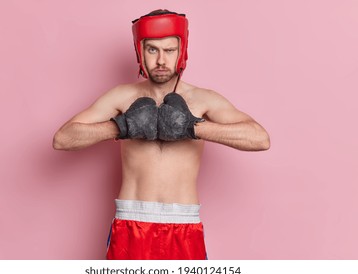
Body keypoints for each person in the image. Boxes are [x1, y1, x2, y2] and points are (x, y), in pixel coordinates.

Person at [53, 9, 270, 260]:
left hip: (184, 222)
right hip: (132, 221)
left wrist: (193, 127)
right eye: (152, 50)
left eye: (169, 50)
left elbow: (259, 138)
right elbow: (63, 138)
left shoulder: (202, 99)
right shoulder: (122, 97)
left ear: (182, 50)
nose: (161, 61)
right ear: (139, 51)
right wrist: (120, 127)